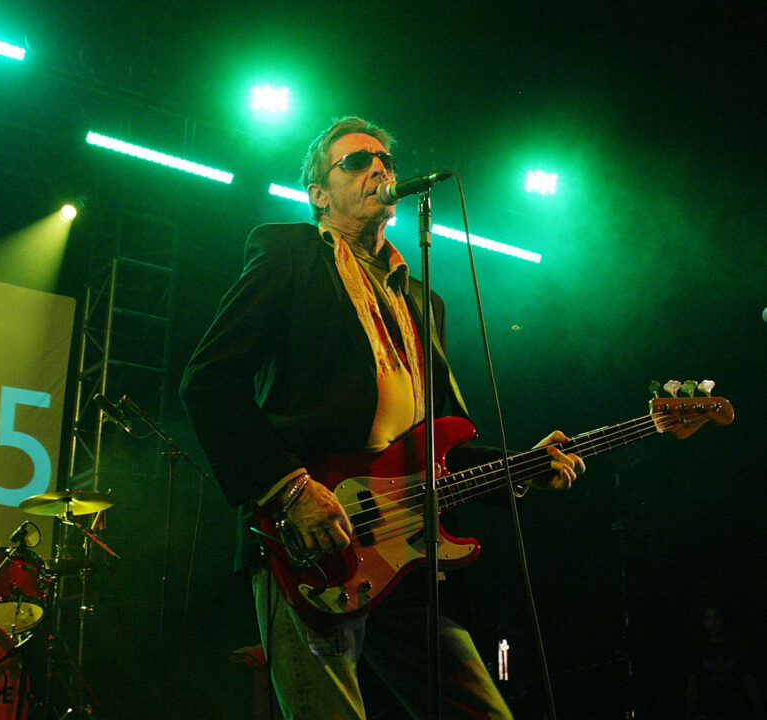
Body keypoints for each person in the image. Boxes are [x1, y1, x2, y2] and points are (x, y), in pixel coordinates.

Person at [179, 116, 586, 719]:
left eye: (385, 161)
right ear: (318, 193)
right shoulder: (286, 253)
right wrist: (291, 491)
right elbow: (209, 381)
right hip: (310, 539)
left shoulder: (424, 300)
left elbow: (432, 443)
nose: (379, 169)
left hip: (410, 546)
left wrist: (524, 466)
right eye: (355, 161)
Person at [685, 603, 766, 720]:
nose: (713, 622)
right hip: (707, 710)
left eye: (716, 617)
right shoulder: (699, 650)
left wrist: (760, 712)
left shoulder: (736, 648)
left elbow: (749, 681)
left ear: (723, 619)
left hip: (734, 709)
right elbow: (693, 684)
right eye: (708, 618)